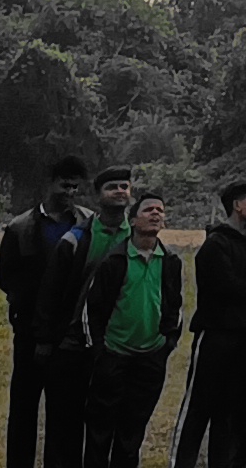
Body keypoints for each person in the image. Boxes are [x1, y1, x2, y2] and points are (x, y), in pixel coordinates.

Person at [0, 163, 94, 468]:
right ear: (50, 183)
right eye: (64, 186)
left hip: (71, 334)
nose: (70, 193)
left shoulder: (87, 223)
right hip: (29, 332)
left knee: (67, 412)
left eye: (75, 187)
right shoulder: (20, 227)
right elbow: (6, 278)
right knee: (24, 408)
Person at [167, 181, 246, 468]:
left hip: (243, 336)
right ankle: (180, 461)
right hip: (215, 336)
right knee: (198, 406)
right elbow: (229, 287)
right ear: (237, 204)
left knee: (228, 409)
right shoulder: (215, 245)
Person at [80, 195, 181, 468]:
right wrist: (100, 350)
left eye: (160, 210)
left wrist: (167, 343)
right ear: (133, 220)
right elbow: (94, 308)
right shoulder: (115, 260)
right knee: (100, 428)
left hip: (150, 357)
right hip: (114, 355)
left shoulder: (170, 260)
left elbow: (175, 305)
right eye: (148, 209)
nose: (155, 214)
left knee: (133, 429)